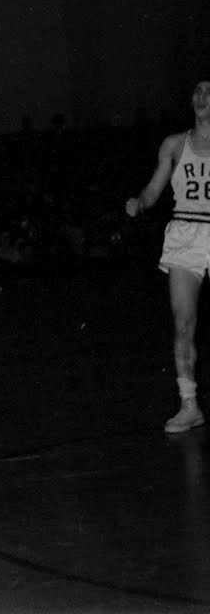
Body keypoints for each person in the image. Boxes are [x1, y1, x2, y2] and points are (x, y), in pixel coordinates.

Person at [126, 78, 210, 434]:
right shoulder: (174, 144)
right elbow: (154, 189)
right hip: (186, 233)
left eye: (209, 91)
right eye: (197, 91)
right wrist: (141, 202)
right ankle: (189, 406)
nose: (201, 96)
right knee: (183, 323)